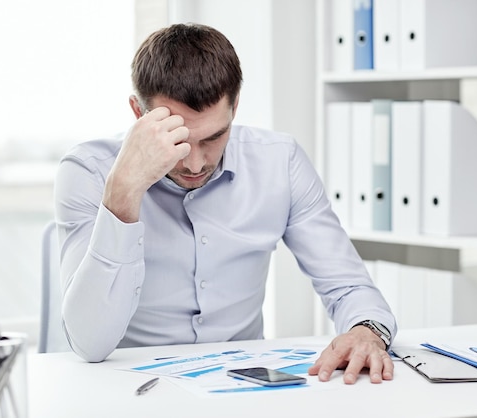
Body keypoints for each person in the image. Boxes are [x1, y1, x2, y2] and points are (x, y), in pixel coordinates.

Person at [54, 23, 397, 384]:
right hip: (127, 388)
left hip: (244, 388)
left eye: (215, 136)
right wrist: (123, 194)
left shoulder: (280, 162)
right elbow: (89, 343)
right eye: (179, 138)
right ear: (138, 113)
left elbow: (349, 286)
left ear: (235, 107)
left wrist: (366, 331)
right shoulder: (89, 171)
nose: (195, 163)